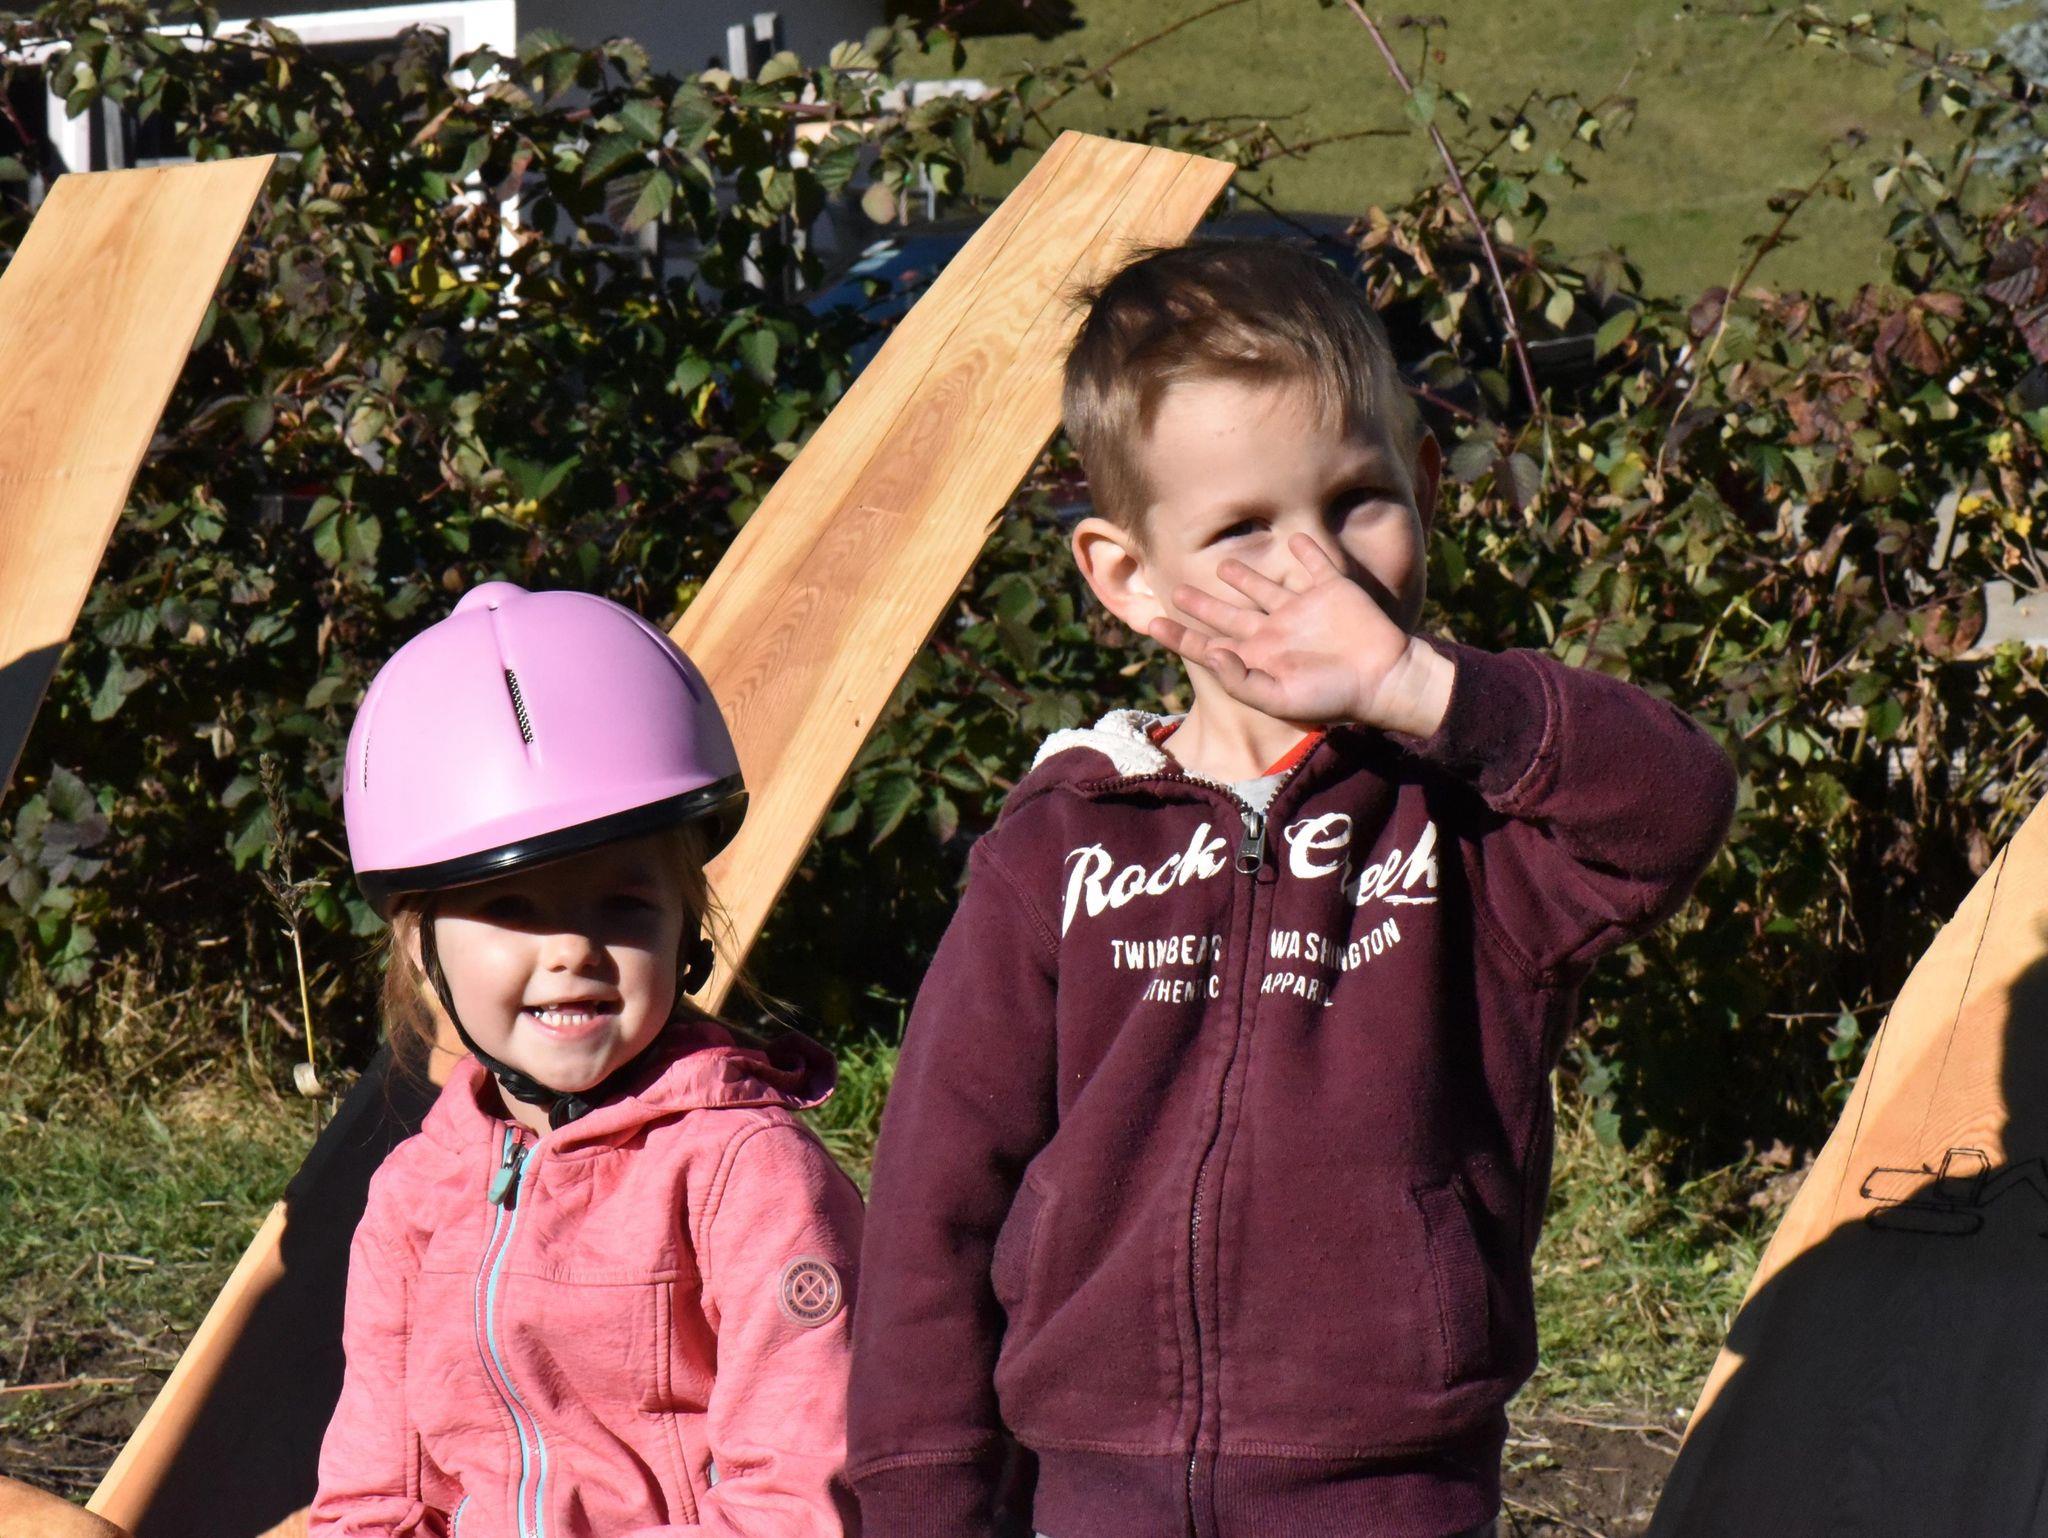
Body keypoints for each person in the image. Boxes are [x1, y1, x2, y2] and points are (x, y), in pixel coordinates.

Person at [847, 241, 1738, 1538]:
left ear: (1425, 486)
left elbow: (1674, 806)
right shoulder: (1060, 848)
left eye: (1359, 498)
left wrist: (1421, 689)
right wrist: (922, 1501)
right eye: (1243, 528)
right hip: (1093, 1494)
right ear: (1128, 576)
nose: (1317, 566)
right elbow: (933, 1204)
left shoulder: (1470, 818)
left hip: (1388, 1491)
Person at [311, 581, 863, 1538]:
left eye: (624, 906)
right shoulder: (414, 1198)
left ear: (687, 930)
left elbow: (802, 1495)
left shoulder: (748, 1175)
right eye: (512, 909)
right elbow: (375, 1496)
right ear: (421, 949)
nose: (571, 949)